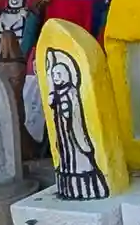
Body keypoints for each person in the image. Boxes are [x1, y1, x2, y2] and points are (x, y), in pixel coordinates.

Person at [45, 49, 109, 200]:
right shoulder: (57, 93)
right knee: (66, 158)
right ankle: (70, 185)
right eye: (54, 75)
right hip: (62, 132)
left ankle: (86, 186)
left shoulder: (72, 91)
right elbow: (50, 102)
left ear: (66, 74)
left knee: (79, 158)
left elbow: (75, 113)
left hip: (73, 130)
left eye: (59, 74)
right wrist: (51, 86)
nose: (56, 78)